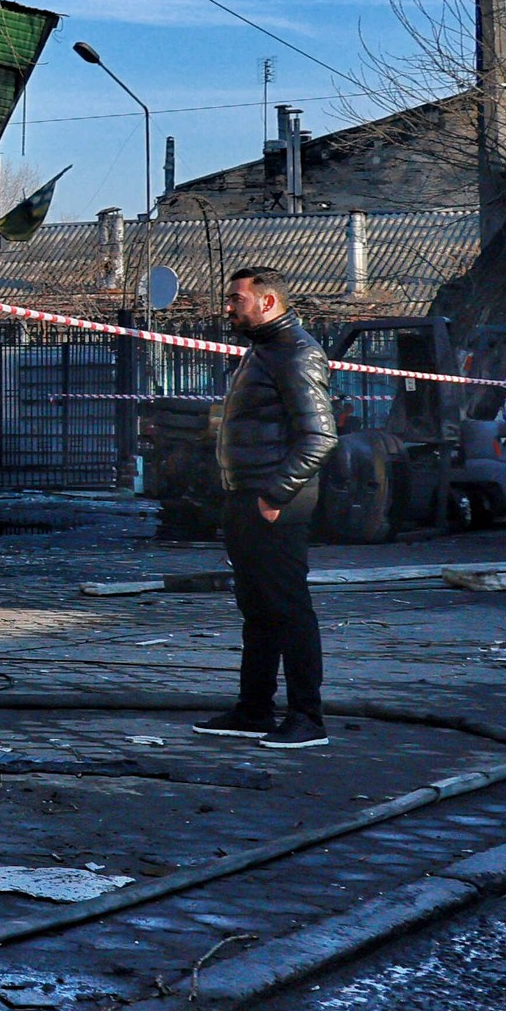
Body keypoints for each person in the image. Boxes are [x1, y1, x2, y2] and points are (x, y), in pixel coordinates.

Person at [196, 265, 339, 749]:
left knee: (289, 608)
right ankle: (254, 709)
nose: (229, 307)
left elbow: (320, 436)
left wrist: (275, 495)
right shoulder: (265, 351)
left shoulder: (296, 353)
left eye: (237, 299)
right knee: (258, 609)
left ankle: (307, 719)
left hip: (276, 503)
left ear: (269, 301)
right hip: (248, 498)